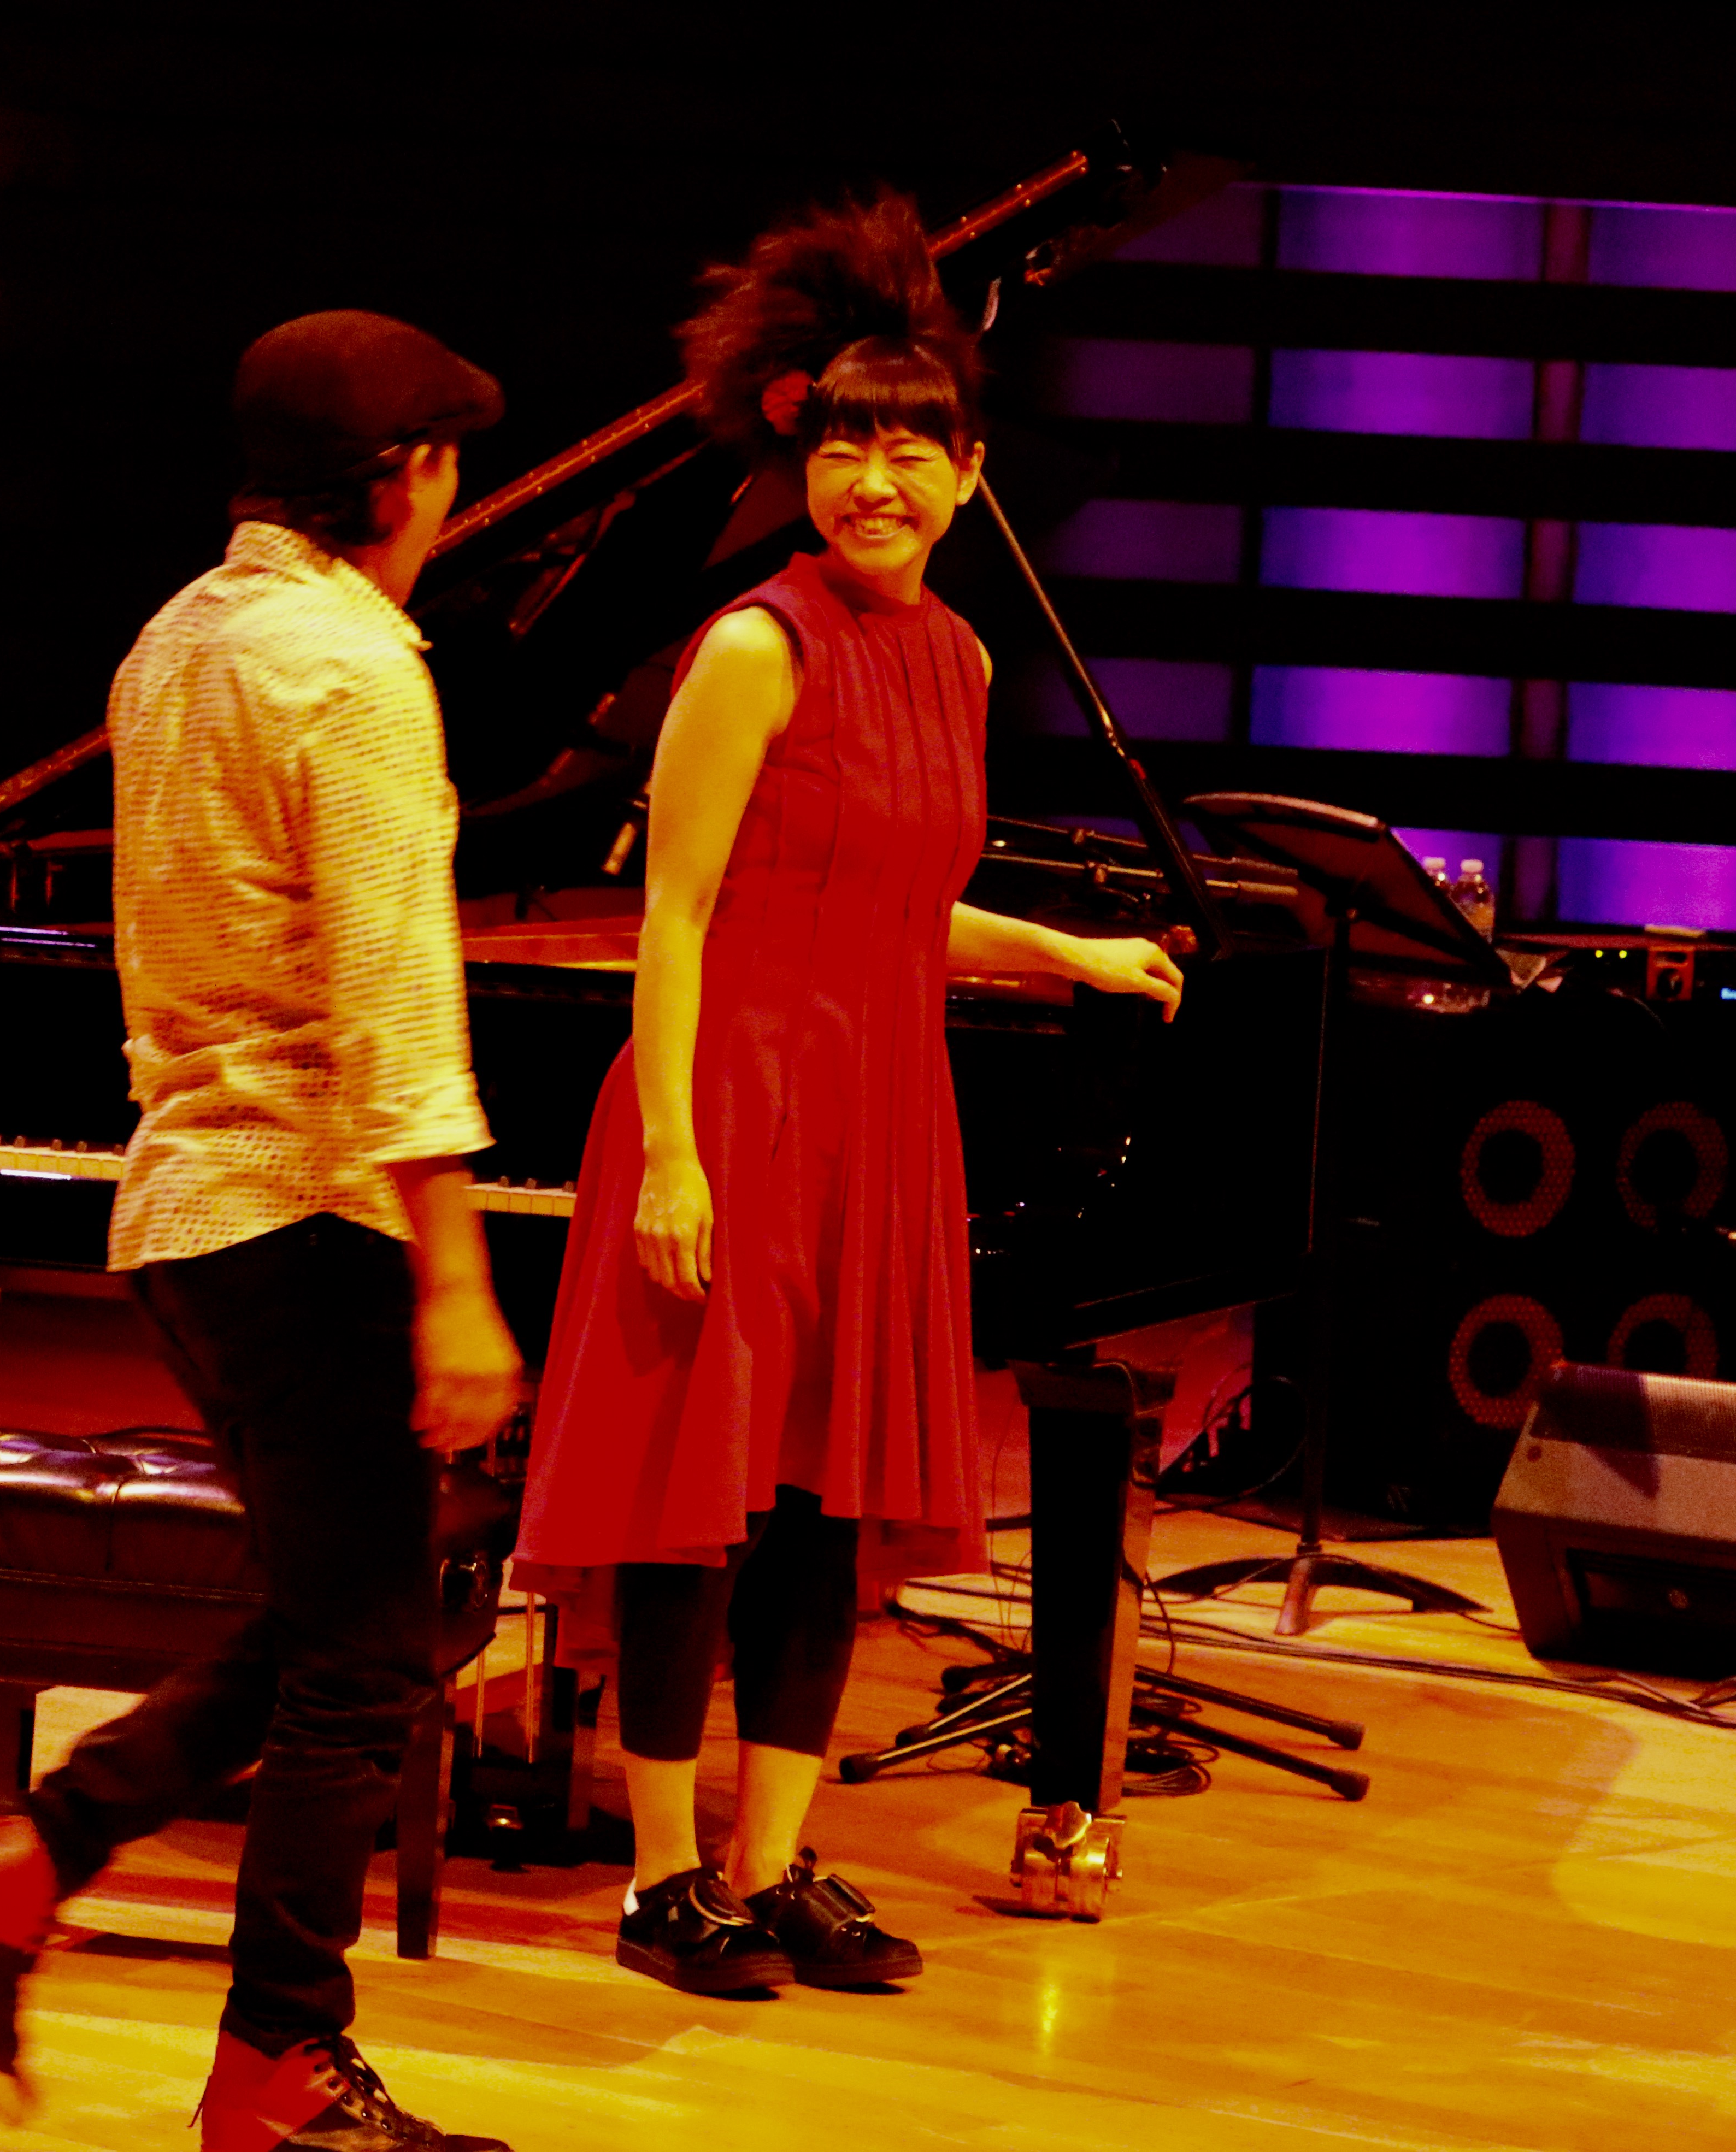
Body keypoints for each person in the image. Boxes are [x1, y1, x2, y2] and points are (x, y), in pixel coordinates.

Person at [512, 197, 1185, 1997]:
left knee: (819, 1504)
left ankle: (774, 1860)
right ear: (798, 460)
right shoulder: (754, 645)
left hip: (881, 1111)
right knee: (697, 1503)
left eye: (906, 451)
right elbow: (674, 911)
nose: (869, 482)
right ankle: (663, 1879)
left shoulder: (957, 657)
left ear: (968, 475)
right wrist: (670, 1154)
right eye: (840, 448)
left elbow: (895, 898)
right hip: (731, 1101)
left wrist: (1069, 951)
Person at [0, 310, 523, 2152]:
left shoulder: (175, 636)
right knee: (365, 1659)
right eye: (446, 465)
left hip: (183, 1206)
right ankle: (274, 2067)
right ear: (401, 475)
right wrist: (457, 1277)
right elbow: (396, 999)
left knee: (342, 1618)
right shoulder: (355, 666)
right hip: (307, 1211)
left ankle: (21, 1866)